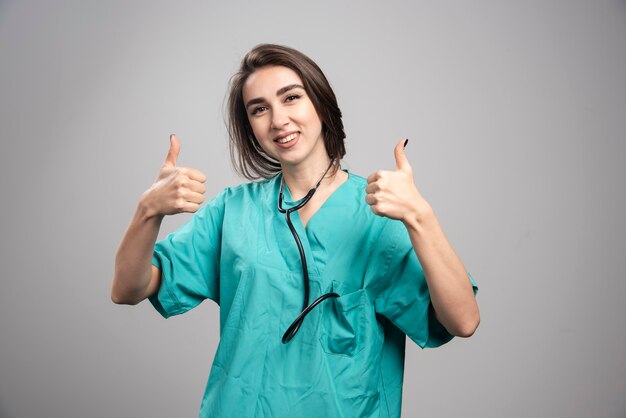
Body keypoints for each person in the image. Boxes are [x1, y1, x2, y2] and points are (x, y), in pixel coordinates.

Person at [111, 43, 479, 418]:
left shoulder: (377, 214)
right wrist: (147, 211)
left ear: (320, 102)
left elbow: (463, 321)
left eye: (291, 98)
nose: (278, 120)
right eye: (259, 109)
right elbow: (128, 288)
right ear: (250, 127)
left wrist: (420, 215)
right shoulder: (233, 212)